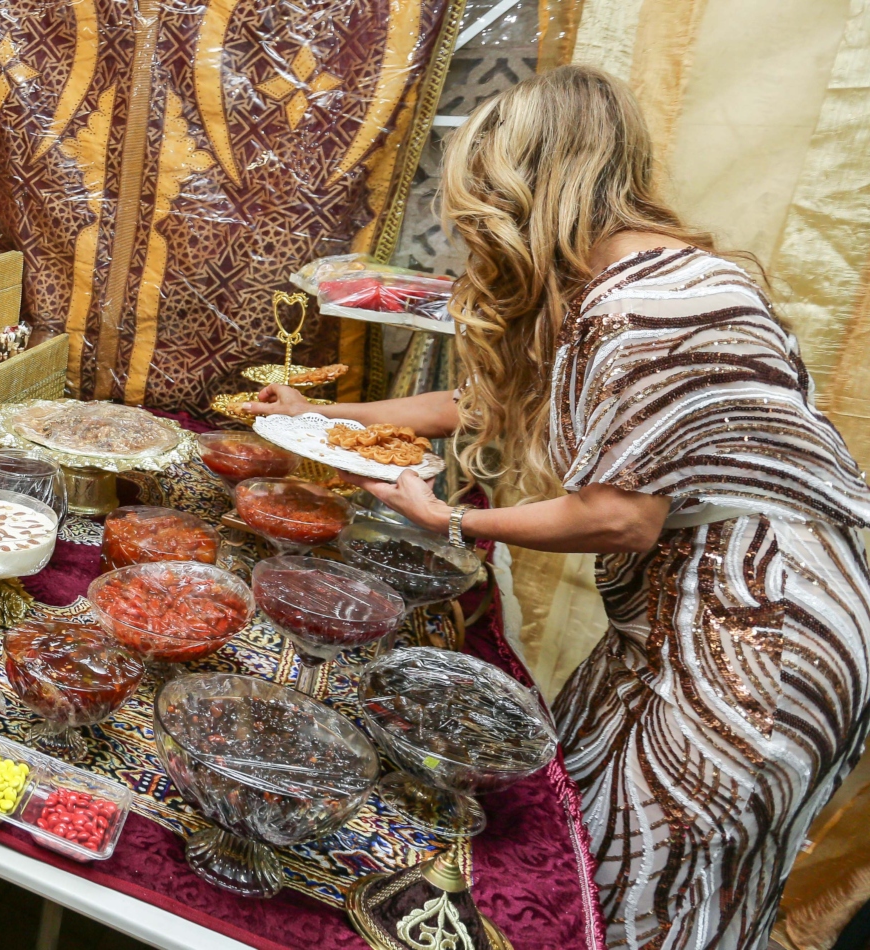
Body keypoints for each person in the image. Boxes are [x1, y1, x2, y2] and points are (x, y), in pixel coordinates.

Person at [248, 66, 870, 950]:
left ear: (526, 183)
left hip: (757, 639)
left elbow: (621, 517)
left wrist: (450, 520)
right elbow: (482, 404)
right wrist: (326, 416)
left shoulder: (643, 300)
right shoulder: (615, 279)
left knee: (653, 884)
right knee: (574, 831)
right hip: (691, 617)